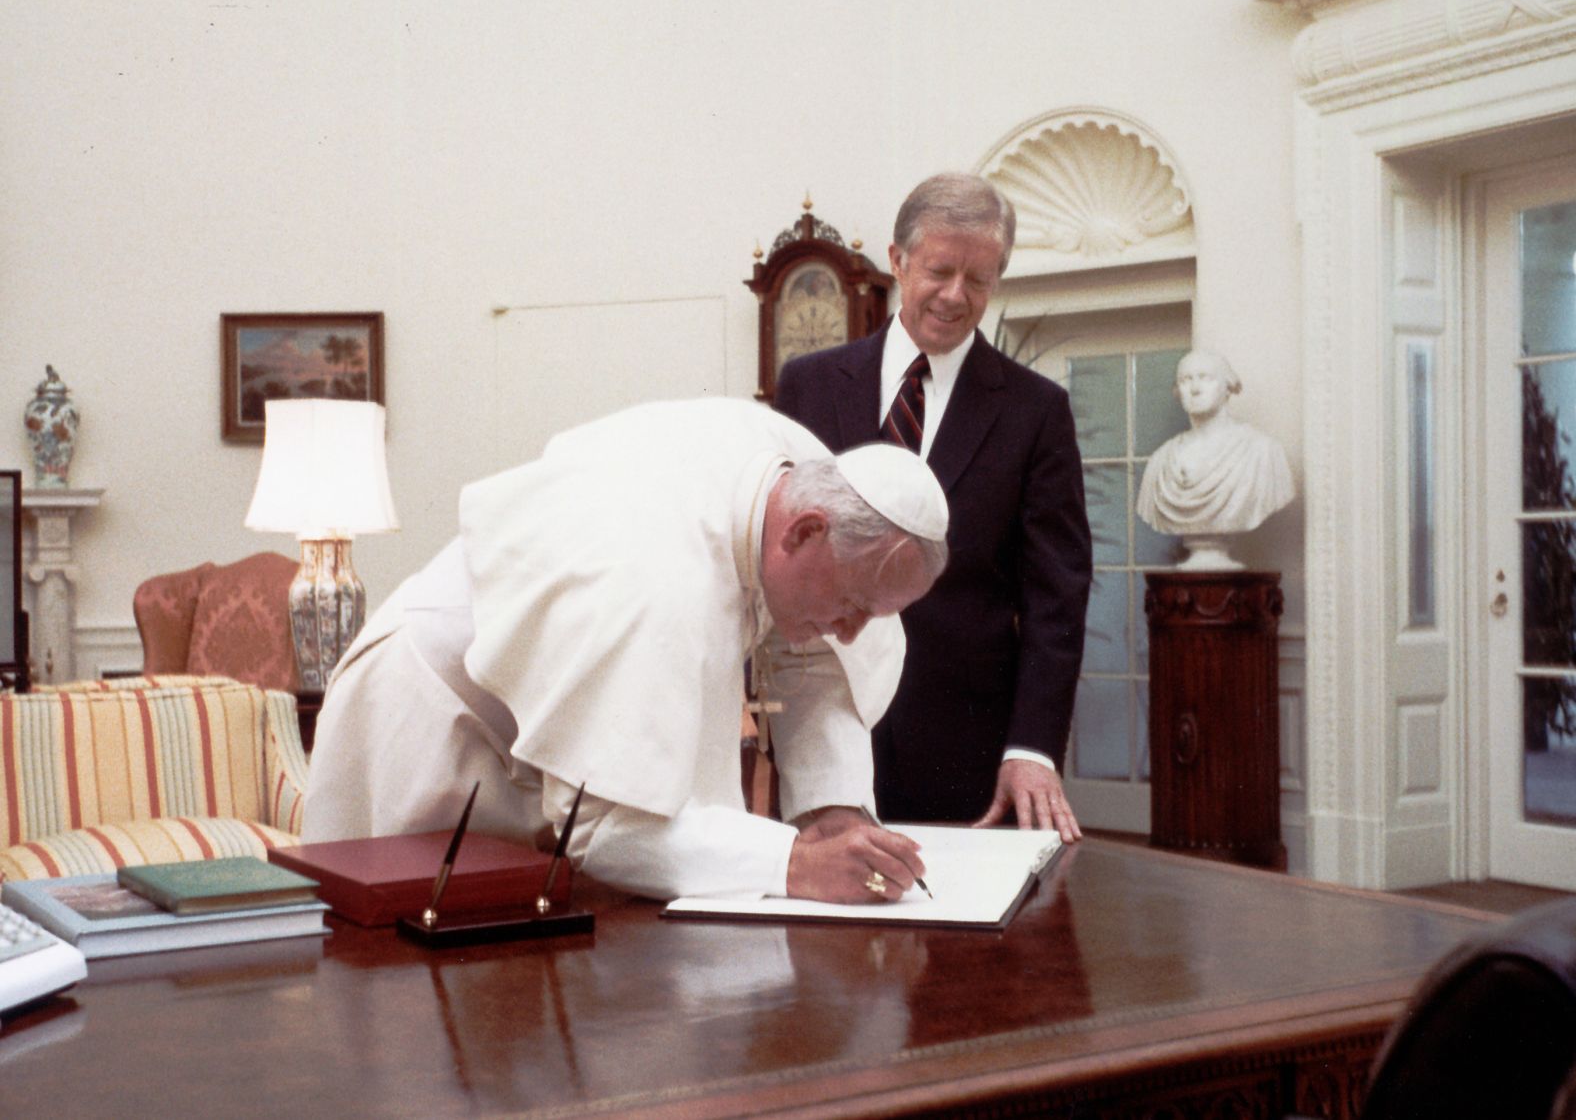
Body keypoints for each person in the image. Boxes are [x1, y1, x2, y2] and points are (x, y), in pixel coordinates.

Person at [302, 397, 950, 904]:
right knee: (409, 1011)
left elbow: (812, 659)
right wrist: (795, 863)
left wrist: (831, 810)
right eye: (850, 607)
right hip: (427, 723)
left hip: (519, 729)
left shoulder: (800, 474)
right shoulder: (655, 574)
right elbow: (605, 826)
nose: (851, 632)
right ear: (804, 531)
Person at [775, 173, 1092, 841]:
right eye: (939, 271)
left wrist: (1031, 748)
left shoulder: (1036, 412)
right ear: (897, 261)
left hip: (967, 752)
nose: (955, 296)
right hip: (823, 727)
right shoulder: (807, 387)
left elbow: (1055, 595)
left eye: (977, 279)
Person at [1136, 349, 1293, 558]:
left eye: (1205, 378)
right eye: (1185, 380)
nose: (1194, 389)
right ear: (1177, 390)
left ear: (1228, 387)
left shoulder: (1263, 452)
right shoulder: (1160, 461)